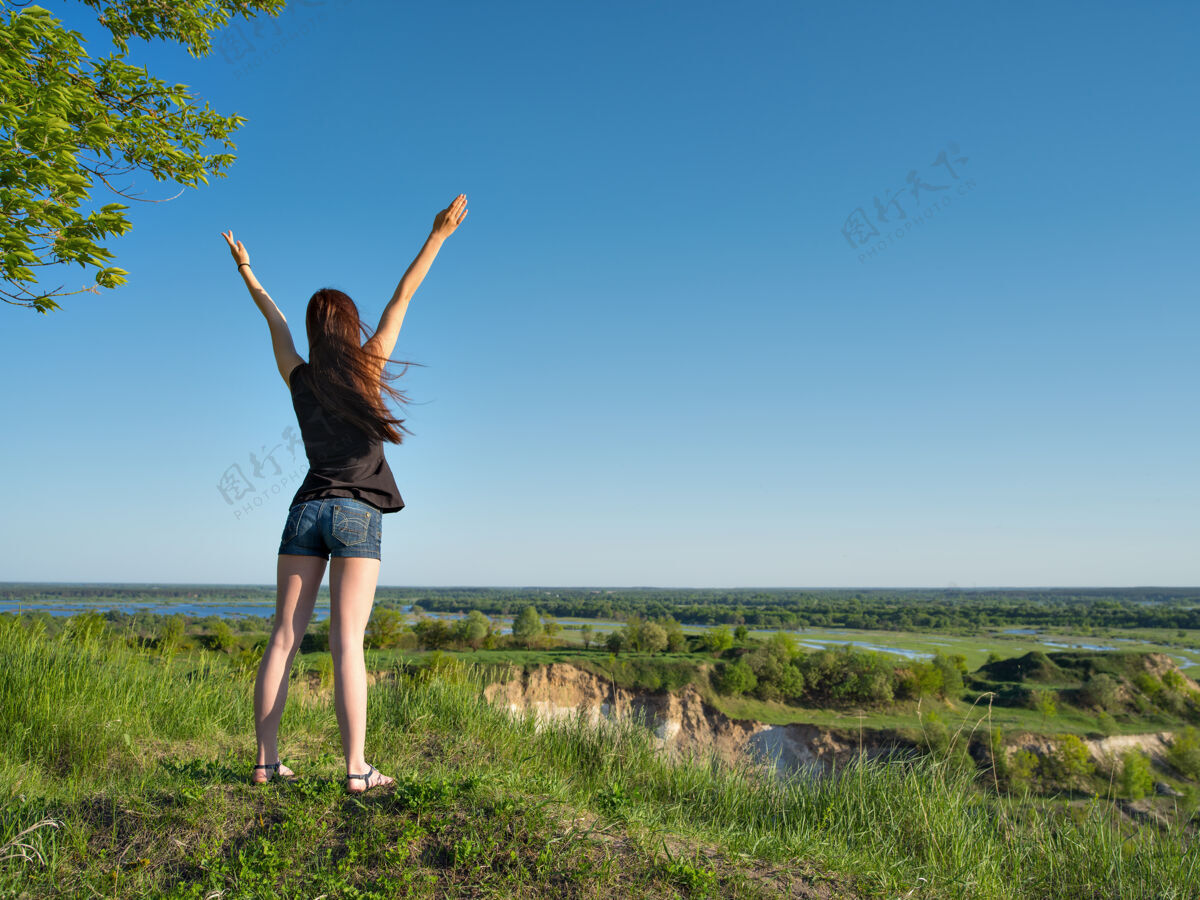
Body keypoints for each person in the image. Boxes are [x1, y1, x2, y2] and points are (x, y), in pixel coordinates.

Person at [220, 194, 468, 793]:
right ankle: (356, 770)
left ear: (313, 330)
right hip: (356, 512)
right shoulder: (369, 364)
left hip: (303, 510)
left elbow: (271, 318)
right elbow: (402, 297)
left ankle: (265, 763)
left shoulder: (297, 375)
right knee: (346, 643)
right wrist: (438, 236)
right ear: (350, 327)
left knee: (283, 636)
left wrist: (247, 271)